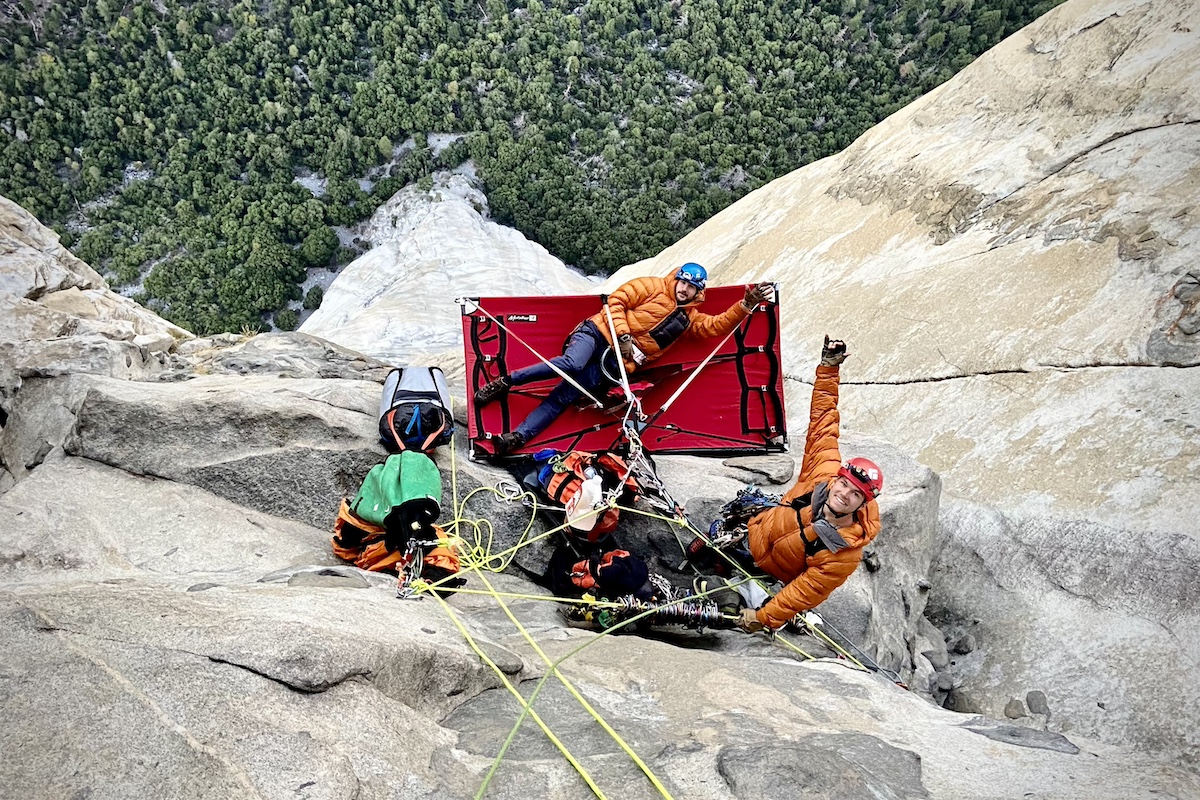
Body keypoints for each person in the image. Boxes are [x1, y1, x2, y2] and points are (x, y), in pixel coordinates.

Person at [475, 262, 772, 454]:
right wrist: (625, 336)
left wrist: (745, 305)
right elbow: (615, 300)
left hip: (614, 366)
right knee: (571, 364)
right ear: (677, 278)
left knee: (562, 398)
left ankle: (517, 438)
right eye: (682, 282)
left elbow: (714, 327)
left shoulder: (690, 317)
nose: (684, 288)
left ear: (698, 291)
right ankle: (504, 382)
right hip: (597, 333)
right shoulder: (653, 286)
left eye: (690, 286)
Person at [696, 336, 884, 632]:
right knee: (712, 535)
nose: (845, 494)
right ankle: (727, 557)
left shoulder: (844, 552)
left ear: (864, 503)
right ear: (839, 478)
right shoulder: (823, 474)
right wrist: (828, 370)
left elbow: (803, 592)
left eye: (856, 495)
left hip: (773, 573)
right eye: (845, 485)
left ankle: (734, 574)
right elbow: (824, 420)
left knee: (726, 588)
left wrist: (763, 618)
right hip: (753, 534)